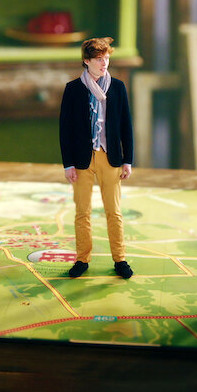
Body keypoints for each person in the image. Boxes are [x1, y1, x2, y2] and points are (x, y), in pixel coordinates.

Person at [59, 37, 134, 279]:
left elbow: (126, 125)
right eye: (99, 59)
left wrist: (128, 160)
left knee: (114, 211)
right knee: (82, 212)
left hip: (110, 157)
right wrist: (68, 164)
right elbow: (65, 129)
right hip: (82, 159)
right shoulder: (73, 89)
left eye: (107, 58)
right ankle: (82, 259)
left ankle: (120, 259)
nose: (104, 64)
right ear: (86, 60)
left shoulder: (118, 87)